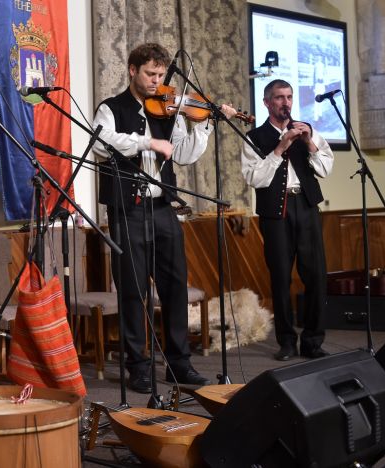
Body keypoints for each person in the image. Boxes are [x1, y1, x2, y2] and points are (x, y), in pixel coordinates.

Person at [92, 43, 237, 393]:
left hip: (162, 209)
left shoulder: (168, 110)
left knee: (174, 287)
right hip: (127, 211)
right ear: (132, 71)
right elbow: (99, 143)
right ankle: (138, 367)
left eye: (160, 74)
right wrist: (147, 143)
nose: (157, 81)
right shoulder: (111, 108)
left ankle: (179, 364)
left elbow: (183, 154)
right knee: (133, 290)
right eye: (150, 74)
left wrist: (204, 124)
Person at [241, 79, 333, 361]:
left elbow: (325, 169)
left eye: (289, 97)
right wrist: (280, 148)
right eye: (279, 97)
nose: (286, 102)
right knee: (280, 278)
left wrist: (309, 142)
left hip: (306, 207)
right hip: (275, 214)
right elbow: (253, 177)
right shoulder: (254, 137)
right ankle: (287, 343)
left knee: (316, 276)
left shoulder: (308, 130)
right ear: (267, 102)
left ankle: (313, 342)